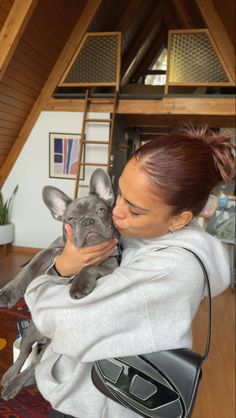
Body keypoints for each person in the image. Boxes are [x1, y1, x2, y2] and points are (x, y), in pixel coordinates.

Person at [25, 128, 235, 418]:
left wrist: (56, 272)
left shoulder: (170, 269)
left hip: (100, 404)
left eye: (134, 210)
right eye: (120, 194)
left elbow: (59, 322)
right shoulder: (140, 233)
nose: (116, 211)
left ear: (180, 219)